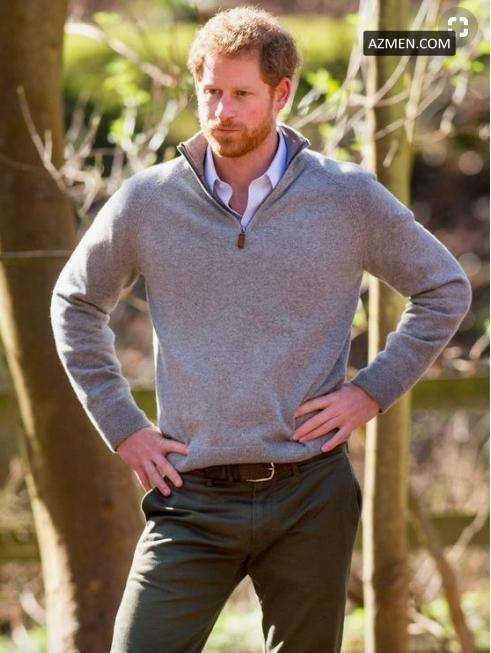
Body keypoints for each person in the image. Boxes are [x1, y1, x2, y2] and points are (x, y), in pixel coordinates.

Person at [50, 6, 472, 653]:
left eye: (241, 94)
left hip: (310, 493)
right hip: (188, 497)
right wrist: (124, 427)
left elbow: (443, 288)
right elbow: (75, 303)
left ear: (281, 94)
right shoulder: (148, 202)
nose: (221, 111)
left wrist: (370, 391)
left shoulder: (347, 197)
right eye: (210, 92)